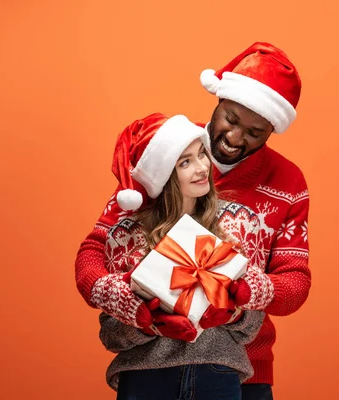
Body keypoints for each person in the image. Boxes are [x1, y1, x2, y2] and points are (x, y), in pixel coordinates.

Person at [75, 42, 312, 400]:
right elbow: (97, 247)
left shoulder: (287, 183)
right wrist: (119, 295)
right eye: (230, 120)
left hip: (242, 366)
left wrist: (249, 290)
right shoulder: (167, 150)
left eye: (254, 132)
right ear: (218, 102)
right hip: (149, 363)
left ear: (272, 130)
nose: (234, 139)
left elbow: (295, 281)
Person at [83, 112, 266, 399]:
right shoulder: (127, 234)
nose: (201, 168)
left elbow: (252, 326)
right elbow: (111, 335)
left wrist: (232, 312)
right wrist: (148, 322)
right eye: (185, 162)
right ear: (163, 174)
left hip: (216, 374)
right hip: (145, 378)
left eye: (201, 154)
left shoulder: (238, 222)